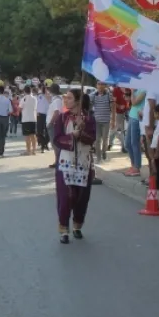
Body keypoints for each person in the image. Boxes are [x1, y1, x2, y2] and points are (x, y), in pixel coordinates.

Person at [53, 89, 96, 244]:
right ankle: (64, 229)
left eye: (70, 98)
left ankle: (78, 226)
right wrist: (73, 136)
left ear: (78, 100)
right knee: (66, 197)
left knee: (81, 198)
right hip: (66, 163)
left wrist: (82, 130)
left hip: (84, 164)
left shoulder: (89, 119)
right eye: (66, 98)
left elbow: (92, 139)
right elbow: (57, 139)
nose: (66, 100)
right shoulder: (62, 118)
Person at [125, 89, 146, 176]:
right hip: (131, 116)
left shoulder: (143, 90)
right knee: (127, 143)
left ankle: (136, 167)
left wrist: (132, 92)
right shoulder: (138, 89)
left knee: (134, 143)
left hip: (137, 119)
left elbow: (134, 102)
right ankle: (133, 165)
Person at [92, 81, 115, 162]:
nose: (100, 86)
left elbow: (113, 108)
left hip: (106, 121)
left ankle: (104, 151)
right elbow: (90, 105)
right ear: (96, 85)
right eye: (99, 84)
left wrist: (113, 120)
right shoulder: (93, 95)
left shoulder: (109, 95)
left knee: (105, 139)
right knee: (97, 140)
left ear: (105, 86)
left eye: (102, 84)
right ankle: (98, 157)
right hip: (97, 121)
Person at [46, 84, 64, 169]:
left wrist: (51, 122)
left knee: (55, 144)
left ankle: (59, 161)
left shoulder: (57, 100)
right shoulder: (55, 99)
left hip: (53, 125)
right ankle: (57, 161)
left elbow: (57, 112)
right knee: (54, 144)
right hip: (53, 124)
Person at [20, 85, 38, 155]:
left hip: (26, 119)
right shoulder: (35, 98)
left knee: (27, 136)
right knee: (33, 135)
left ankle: (28, 150)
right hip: (33, 118)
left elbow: (20, 108)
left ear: (24, 91)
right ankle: (34, 150)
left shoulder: (23, 98)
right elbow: (35, 108)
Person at [36, 85, 50, 152]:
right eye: (43, 89)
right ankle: (43, 144)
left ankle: (44, 144)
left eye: (45, 89)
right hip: (40, 114)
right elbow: (37, 104)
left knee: (48, 131)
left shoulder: (49, 96)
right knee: (39, 131)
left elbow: (50, 102)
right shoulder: (39, 96)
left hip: (47, 115)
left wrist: (47, 95)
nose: (43, 90)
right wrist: (37, 112)